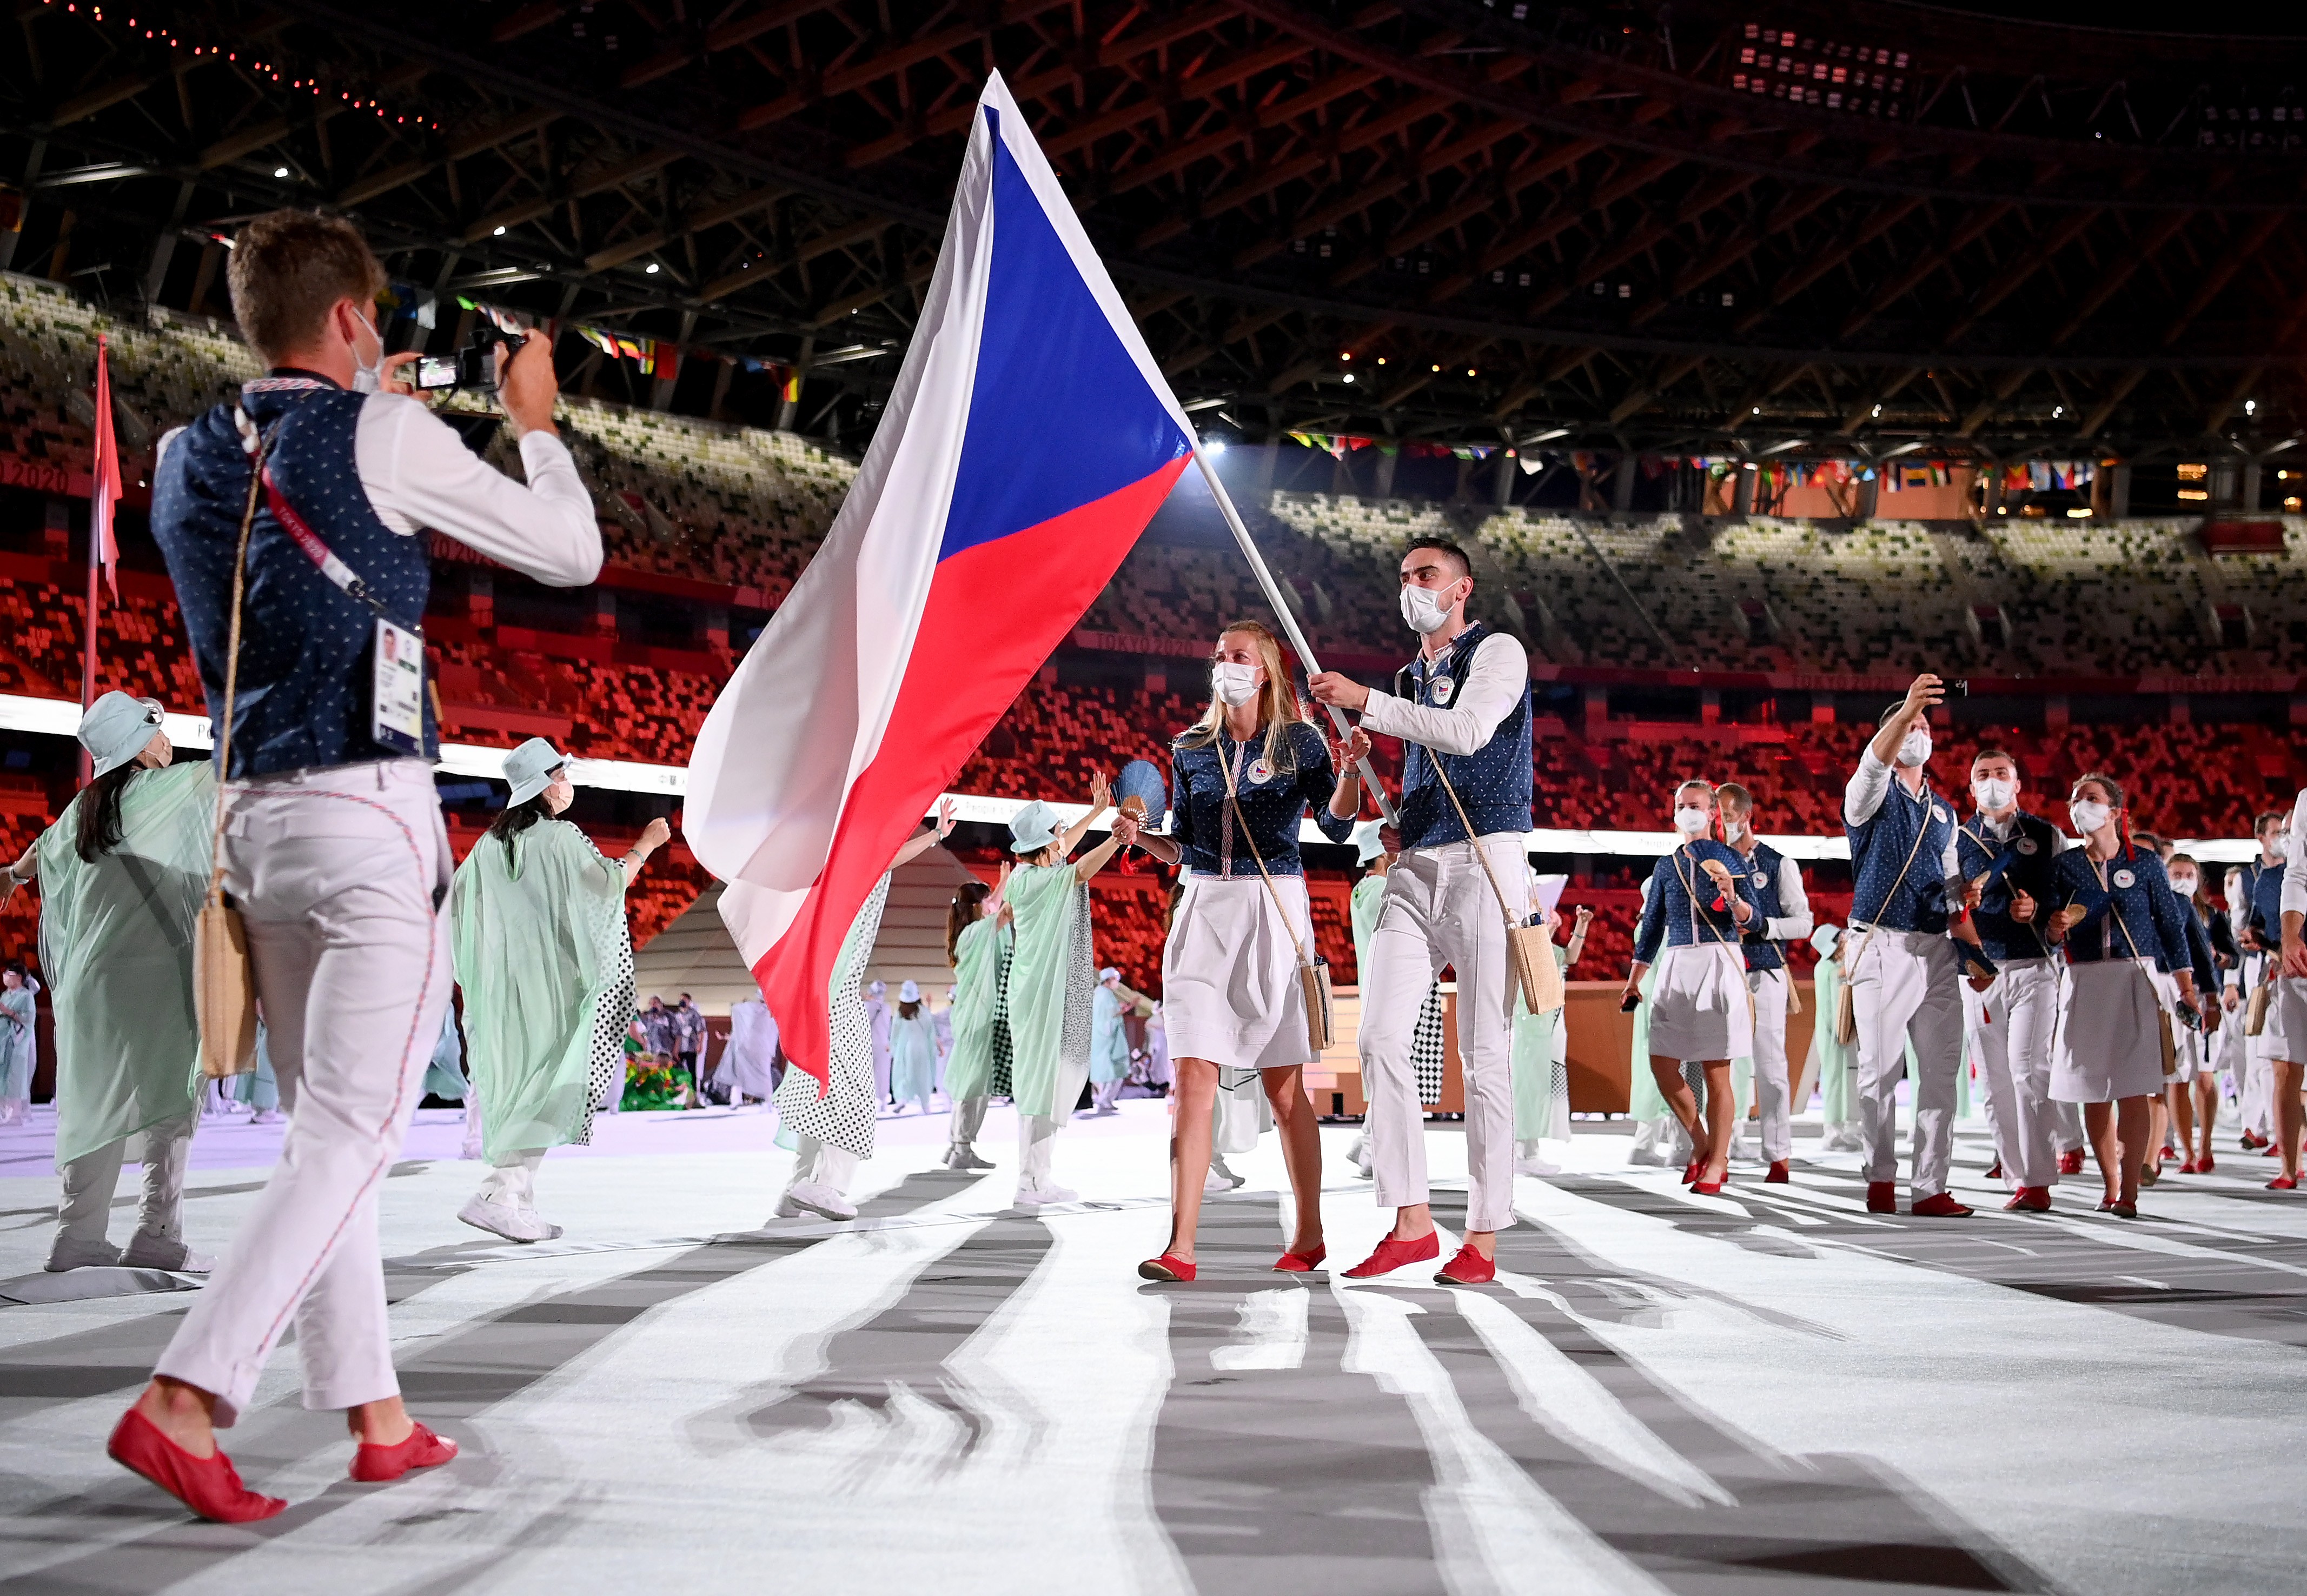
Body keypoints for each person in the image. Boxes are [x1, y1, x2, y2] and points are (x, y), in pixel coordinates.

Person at [121, 209, 603, 1520]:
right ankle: (189, 1392)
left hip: (250, 807)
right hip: (369, 806)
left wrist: (360, 411)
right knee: (358, 1128)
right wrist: (538, 419)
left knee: (318, 1133)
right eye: (374, 313)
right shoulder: (382, 431)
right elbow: (572, 555)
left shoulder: (178, 454)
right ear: (348, 318)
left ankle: (375, 1410)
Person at [1310, 537, 1533, 1285]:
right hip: (1416, 861)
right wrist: (1387, 792)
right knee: (1376, 1035)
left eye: (1425, 575)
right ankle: (1410, 1220)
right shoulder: (1410, 674)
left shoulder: (1498, 651)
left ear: (1461, 587)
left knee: (1485, 1054)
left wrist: (1367, 702)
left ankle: (1483, 1235)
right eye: (1404, 577)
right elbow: (1426, 755)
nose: (1412, 587)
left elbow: (1468, 733)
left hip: (1486, 859)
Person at [1125, 619, 1361, 1279]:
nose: (1224, 664)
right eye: (1218, 655)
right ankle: (1181, 1245)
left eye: (1239, 656)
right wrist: (1136, 836)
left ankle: (1310, 1234)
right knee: (1192, 1081)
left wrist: (1349, 774)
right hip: (1203, 909)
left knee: (1287, 1092)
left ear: (1265, 671)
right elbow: (1182, 846)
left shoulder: (1300, 742)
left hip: (1273, 908)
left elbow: (1340, 827)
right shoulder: (1190, 746)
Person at [0, 693, 213, 1272]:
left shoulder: (82, 810)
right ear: (140, 746)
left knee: (94, 1103)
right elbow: (229, 779)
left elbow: (32, 859)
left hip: (89, 987)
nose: (168, 741)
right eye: (157, 731)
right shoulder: (162, 790)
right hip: (153, 979)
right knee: (171, 1100)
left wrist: (10, 880)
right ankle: (157, 1231)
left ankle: (78, 1236)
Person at [449, 738, 669, 1242]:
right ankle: (499, 1193)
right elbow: (609, 884)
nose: (568, 783)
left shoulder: (487, 846)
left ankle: (517, 1200)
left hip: (503, 987)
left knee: (524, 1084)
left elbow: (460, 911)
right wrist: (647, 845)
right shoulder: (561, 836)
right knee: (546, 1087)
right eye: (562, 775)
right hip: (551, 986)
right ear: (546, 785)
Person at [1839, 674, 1991, 1218]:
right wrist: (1905, 709)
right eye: (1908, 725)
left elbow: (1951, 889)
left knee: (1940, 1070)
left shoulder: (1946, 812)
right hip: (1881, 944)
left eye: (1924, 726)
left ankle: (1931, 1185)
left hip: (1935, 949)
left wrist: (1969, 930)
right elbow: (1873, 764)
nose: (1917, 732)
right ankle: (1880, 1178)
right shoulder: (1869, 796)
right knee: (1880, 1070)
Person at [771, 802, 958, 1221]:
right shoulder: (847, 862)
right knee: (854, 1094)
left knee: (817, 1092)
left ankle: (795, 1189)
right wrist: (935, 835)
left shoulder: (816, 863)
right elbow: (885, 858)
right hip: (837, 995)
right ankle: (826, 1185)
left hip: (815, 993)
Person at [2042, 774, 2197, 1214]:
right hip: (2086, 979)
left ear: (2114, 813)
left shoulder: (2146, 864)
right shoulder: (2065, 866)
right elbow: (2049, 932)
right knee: (2094, 1089)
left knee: (2134, 1087)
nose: (2080, 806)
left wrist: (2186, 987)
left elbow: (2171, 926)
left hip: (2135, 977)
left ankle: (2130, 1189)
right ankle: (2109, 1181)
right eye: (2075, 800)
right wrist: (2054, 927)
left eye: (2091, 799)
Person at [1622, 782, 1764, 1194]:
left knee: (1716, 1070)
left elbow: (1753, 921)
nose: (1689, 811)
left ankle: (1718, 1163)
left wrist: (1734, 899)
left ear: (1712, 812)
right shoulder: (1666, 866)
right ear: (1674, 813)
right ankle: (1702, 1144)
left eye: (1697, 806)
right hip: (1678, 961)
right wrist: (1634, 980)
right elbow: (1650, 930)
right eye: (1682, 805)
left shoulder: (1731, 858)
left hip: (1719, 962)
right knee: (1662, 1063)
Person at [1004, 779, 1134, 1207]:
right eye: (1057, 833)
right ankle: (1032, 1181)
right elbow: (1078, 869)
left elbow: (1063, 853)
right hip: (1043, 993)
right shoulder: (1039, 881)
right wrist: (1115, 840)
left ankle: (1037, 1176)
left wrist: (1096, 814)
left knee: (1043, 1084)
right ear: (1046, 844)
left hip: (1037, 991)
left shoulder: (1028, 874)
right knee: (1044, 1085)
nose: (1064, 838)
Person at [1953, 748, 2066, 1212]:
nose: (1993, 780)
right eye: (1984, 774)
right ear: (1971, 785)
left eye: (2002, 773)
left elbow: (2063, 897)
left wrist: (2037, 911)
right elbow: (1943, 908)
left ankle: (2037, 1180)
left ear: (2018, 783)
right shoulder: (1955, 838)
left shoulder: (2046, 835)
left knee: (2028, 1070)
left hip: (2035, 966)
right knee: (1996, 1080)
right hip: (1980, 971)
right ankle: (2015, 1174)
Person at [1716, 783, 1813, 1182]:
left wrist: (1763, 926)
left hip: (1764, 970)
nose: (1718, 823)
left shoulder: (1776, 863)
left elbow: (1803, 922)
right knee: (1713, 1064)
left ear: (1744, 817)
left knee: (1770, 1065)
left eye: (1723, 815)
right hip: (1717, 971)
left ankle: (1778, 1155)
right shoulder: (1704, 861)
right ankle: (1715, 1150)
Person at [1510, 895, 1589, 1177]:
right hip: (1526, 1032)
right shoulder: (1518, 945)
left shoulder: (1547, 949)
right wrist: (1549, 930)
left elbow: (1569, 956)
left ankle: (1529, 1151)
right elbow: (1534, 954)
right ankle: (1523, 1153)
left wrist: (1581, 925)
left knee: (1538, 1091)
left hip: (1547, 1031)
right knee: (1525, 1091)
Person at [942, 874, 1009, 1170]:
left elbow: (998, 908)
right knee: (975, 1084)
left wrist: (1002, 886)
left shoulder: (966, 935)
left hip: (971, 1016)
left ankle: (956, 1144)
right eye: (986, 902)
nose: (991, 905)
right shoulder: (976, 934)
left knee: (971, 1080)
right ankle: (962, 1147)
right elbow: (1006, 912)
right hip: (978, 1017)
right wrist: (1019, 879)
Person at [2163, 853, 2222, 1175]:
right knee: (2176, 1077)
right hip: (2170, 993)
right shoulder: (2158, 905)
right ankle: (2187, 1150)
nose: (2182, 879)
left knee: (2204, 1076)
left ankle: (2206, 1145)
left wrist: (2213, 999)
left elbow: (2206, 956)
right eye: (2176, 873)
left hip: (2197, 993)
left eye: (2189, 874)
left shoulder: (2207, 914)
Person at [2236, 809, 2290, 1156]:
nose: (2284, 837)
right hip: (2275, 972)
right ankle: (2283, 1148)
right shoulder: (2263, 879)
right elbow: (2251, 925)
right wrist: (2253, 938)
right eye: (2280, 831)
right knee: (2276, 1063)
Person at [1085, 968, 1138, 1116]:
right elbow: (1112, 1013)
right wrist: (1129, 1006)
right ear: (1109, 981)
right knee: (1113, 1071)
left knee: (1111, 1071)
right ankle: (1104, 1099)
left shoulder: (1100, 994)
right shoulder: (1105, 994)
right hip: (1108, 1040)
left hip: (1104, 1039)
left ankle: (1105, 1099)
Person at [889, 980, 938, 1115]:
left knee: (904, 1075)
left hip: (905, 1049)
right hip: (922, 1048)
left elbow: (895, 1034)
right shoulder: (924, 1012)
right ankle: (925, 1105)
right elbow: (930, 1032)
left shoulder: (900, 1013)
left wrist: (893, 1049)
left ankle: (903, 1099)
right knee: (924, 1076)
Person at [723, 995, 779, 1107]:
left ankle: (767, 1100)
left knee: (761, 1074)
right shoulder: (759, 1014)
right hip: (752, 1048)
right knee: (743, 1073)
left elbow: (773, 1033)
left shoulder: (768, 1016)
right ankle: (737, 1100)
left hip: (758, 1048)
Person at [0, 961, 36, 1125]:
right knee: (2, 1076)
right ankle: (4, 1112)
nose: (6, 978)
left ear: (19, 977)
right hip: (2, 1039)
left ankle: (15, 1114)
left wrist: (9, 1012)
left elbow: (28, 1019)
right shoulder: (5, 995)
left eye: (10, 974)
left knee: (15, 1076)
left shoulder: (26, 996)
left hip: (17, 1041)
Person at [864, 980, 895, 1107]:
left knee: (867, 1074)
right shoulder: (887, 1008)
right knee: (883, 1073)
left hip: (868, 1045)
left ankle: (867, 1101)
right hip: (884, 1045)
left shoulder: (866, 1006)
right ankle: (883, 1102)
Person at [673, 993, 707, 1102]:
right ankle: (678, 1092)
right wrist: (675, 1049)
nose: (682, 1001)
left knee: (692, 1070)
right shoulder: (677, 1016)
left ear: (689, 1001)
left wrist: (700, 1044)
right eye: (681, 999)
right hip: (680, 1047)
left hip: (691, 1047)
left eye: (685, 1000)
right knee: (678, 1070)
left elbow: (701, 1031)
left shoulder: (694, 1015)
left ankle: (694, 1094)